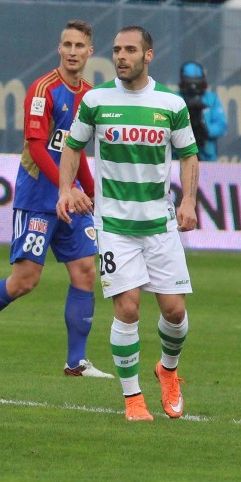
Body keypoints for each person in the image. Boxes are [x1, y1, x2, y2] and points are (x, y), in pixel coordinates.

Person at [56, 26, 199, 422]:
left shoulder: (170, 104)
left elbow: (188, 155)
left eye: (130, 50)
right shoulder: (97, 100)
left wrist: (188, 200)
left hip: (159, 224)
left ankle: (167, 370)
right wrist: (65, 189)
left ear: (148, 55)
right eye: (117, 49)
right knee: (129, 308)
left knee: (174, 312)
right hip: (114, 226)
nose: (121, 56)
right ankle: (133, 399)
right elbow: (72, 145)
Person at [0, 20, 112, 379]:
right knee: (25, 280)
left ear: (90, 52)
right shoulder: (42, 89)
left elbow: (75, 154)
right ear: (59, 49)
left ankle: (76, 362)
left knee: (84, 272)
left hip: (72, 198)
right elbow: (37, 146)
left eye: (80, 46)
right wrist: (65, 189)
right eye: (67, 45)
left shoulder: (92, 97)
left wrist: (90, 193)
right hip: (38, 196)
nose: (74, 51)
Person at [178, 61, 227, 161]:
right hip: (178, 156)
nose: (193, 87)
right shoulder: (175, 98)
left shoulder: (211, 99)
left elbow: (221, 125)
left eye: (197, 83)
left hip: (207, 157)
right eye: (189, 83)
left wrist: (205, 129)